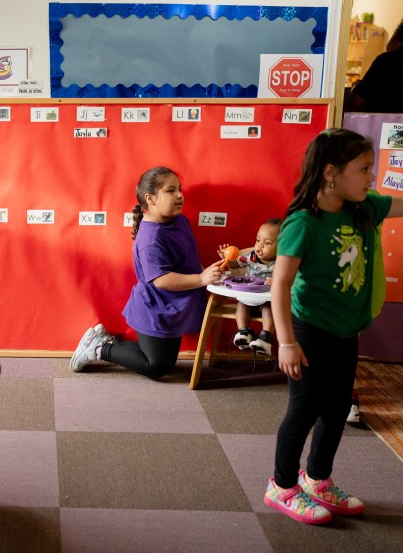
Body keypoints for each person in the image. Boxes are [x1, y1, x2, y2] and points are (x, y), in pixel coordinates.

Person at [264, 128, 403, 524]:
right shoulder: (304, 223)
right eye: (363, 169)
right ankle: (282, 486)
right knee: (303, 410)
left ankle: (318, 480)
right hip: (309, 332)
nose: (371, 177)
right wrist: (287, 342)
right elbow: (281, 284)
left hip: (346, 332)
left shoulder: (364, 208)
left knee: (338, 407)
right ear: (330, 172)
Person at [70, 166, 225, 378]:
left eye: (180, 189)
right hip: (155, 308)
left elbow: (189, 255)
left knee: (165, 362)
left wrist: (210, 272)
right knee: (157, 368)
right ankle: (99, 348)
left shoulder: (180, 220)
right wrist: (201, 278)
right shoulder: (151, 239)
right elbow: (161, 280)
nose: (179, 195)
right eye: (170, 191)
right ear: (150, 199)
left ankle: (107, 341)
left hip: (173, 307)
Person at [222, 218, 282, 355]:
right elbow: (233, 266)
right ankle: (243, 332)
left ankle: (265, 338)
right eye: (257, 240)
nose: (259, 246)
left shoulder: (281, 262)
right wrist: (226, 258)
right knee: (242, 303)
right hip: (249, 299)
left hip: (269, 301)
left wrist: (277, 279)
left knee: (269, 308)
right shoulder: (250, 256)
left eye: (267, 243)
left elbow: (291, 277)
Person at [346, 18, 403, 113]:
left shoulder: (387, 61)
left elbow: (358, 100)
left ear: (395, 37)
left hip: (382, 125)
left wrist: (355, 86)